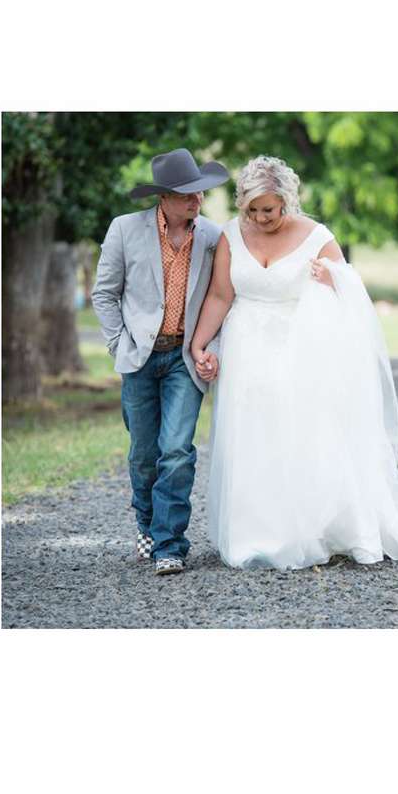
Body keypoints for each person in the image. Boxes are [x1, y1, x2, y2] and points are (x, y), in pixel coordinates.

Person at [189, 156, 398, 568]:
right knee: (252, 438)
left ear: (286, 202)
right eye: (253, 210)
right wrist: (199, 344)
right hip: (246, 351)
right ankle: (258, 534)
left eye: (269, 210)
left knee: (300, 434)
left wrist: (333, 280)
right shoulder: (230, 236)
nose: (261, 219)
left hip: (299, 349)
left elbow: (352, 293)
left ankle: (314, 528)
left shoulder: (317, 237)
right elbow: (221, 296)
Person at [92, 149, 228, 574]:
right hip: (139, 358)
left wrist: (213, 350)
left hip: (183, 360)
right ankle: (147, 528)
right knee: (144, 454)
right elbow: (104, 293)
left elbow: (222, 299)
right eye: (187, 195)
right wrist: (118, 344)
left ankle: (170, 544)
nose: (197, 201)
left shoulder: (212, 238)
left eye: (200, 193)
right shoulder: (124, 230)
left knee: (176, 450)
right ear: (164, 198)